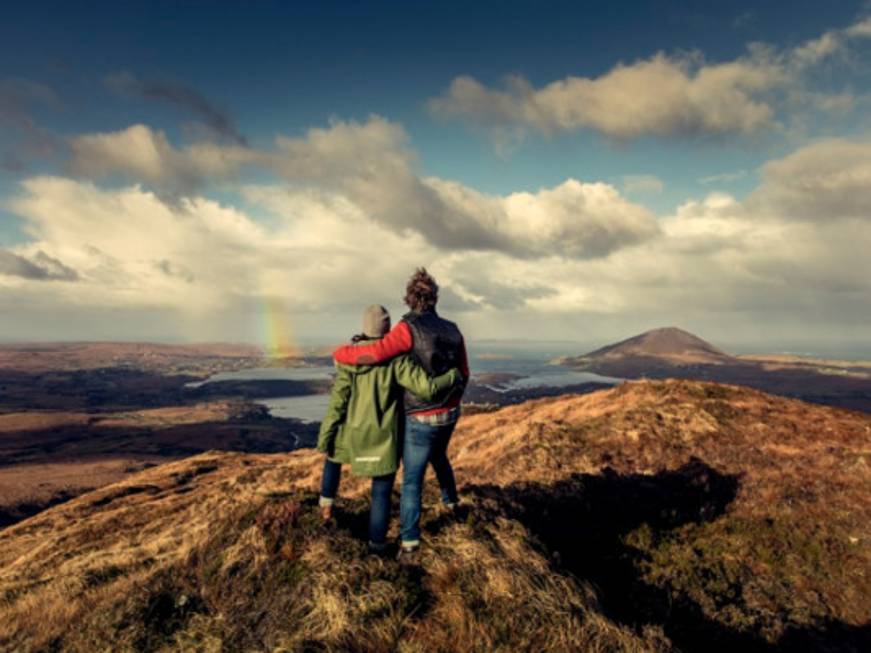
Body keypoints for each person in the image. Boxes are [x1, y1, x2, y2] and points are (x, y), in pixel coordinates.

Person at [333, 269, 469, 562]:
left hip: (420, 416)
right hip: (450, 412)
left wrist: (343, 353)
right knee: (440, 456)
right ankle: (451, 503)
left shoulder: (407, 329)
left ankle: (409, 543)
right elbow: (464, 372)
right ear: (434, 298)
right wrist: (452, 402)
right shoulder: (454, 328)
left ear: (409, 298)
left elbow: (378, 352)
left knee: (411, 482)